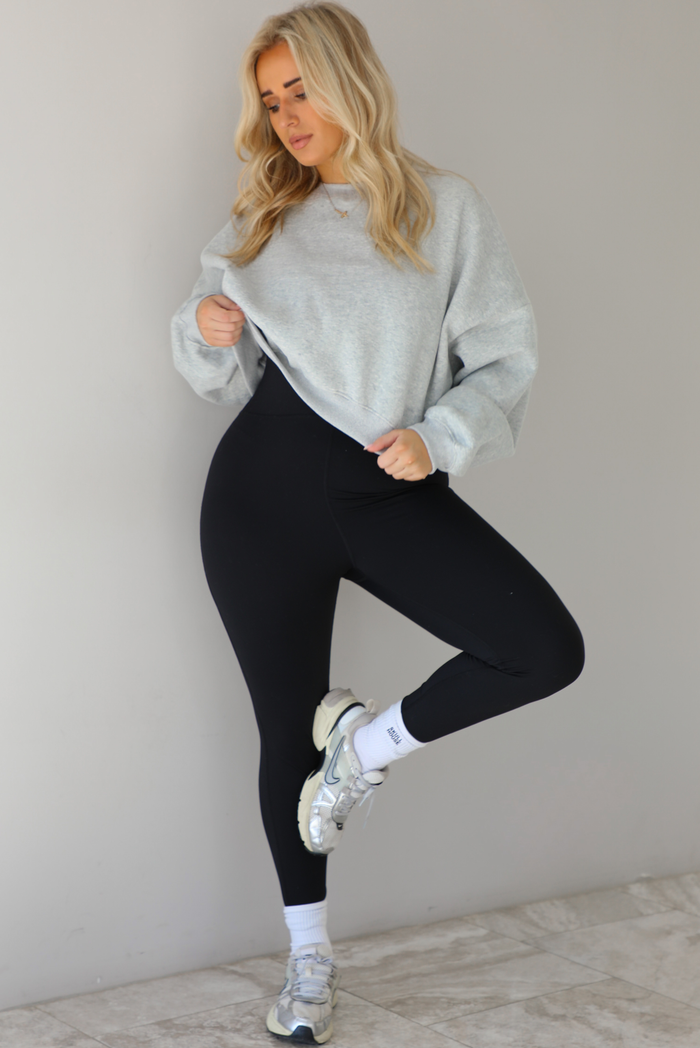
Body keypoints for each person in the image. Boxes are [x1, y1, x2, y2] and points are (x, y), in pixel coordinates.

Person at [171, 2, 584, 1042]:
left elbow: (505, 358)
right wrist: (205, 325)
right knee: (279, 730)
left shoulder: (445, 209)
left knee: (539, 647)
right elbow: (219, 379)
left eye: (298, 90)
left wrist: (439, 436)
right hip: (258, 496)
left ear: (347, 79)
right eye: (269, 101)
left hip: (382, 486)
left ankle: (364, 746)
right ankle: (308, 966)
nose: (284, 117)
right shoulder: (258, 219)